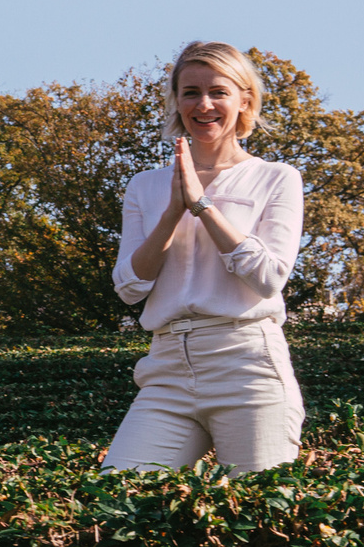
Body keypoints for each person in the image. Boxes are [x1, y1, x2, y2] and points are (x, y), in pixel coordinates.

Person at [105, 42, 306, 474]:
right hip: (166, 369)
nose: (205, 104)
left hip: (247, 363)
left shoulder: (276, 178)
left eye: (219, 91)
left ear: (244, 99)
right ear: (176, 101)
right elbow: (129, 287)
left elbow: (270, 276)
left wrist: (202, 206)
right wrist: (174, 210)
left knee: (261, 509)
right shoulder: (146, 186)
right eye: (190, 92)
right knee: (118, 494)